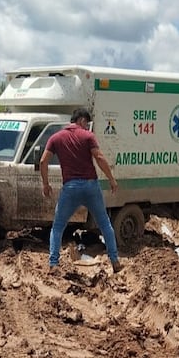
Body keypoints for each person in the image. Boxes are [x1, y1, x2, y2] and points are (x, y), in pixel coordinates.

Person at [40, 108, 123, 273]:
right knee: (105, 224)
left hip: (70, 188)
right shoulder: (88, 136)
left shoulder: (56, 138)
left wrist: (46, 184)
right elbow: (99, 157)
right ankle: (115, 261)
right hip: (91, 186)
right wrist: (111, 179)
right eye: (87, 124)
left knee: (58, 227)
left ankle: (53, 264)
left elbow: (43, 161)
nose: (87, 127)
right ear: (82, 120)